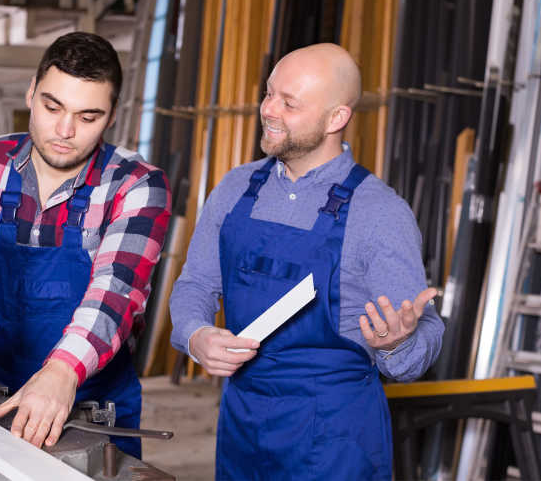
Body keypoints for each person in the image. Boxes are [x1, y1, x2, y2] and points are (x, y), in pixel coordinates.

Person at [169, 43, 444, 480]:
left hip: (335, 441)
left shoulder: (380, 213)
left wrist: (396, 343)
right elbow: (196, 284)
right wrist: (194, 334)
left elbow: (417, 347)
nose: (269, 110)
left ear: (336, 118)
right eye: (269, 93)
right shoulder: (236, 188)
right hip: (244, 427)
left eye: (289, 103)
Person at [0, 32, 171, 459]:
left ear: (112, 115)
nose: (65, 131)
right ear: (31, 93)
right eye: (52, 107)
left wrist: (63, 371)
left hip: (94, 404)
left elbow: (117, 289)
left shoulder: (135, 185)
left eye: (88, 117)